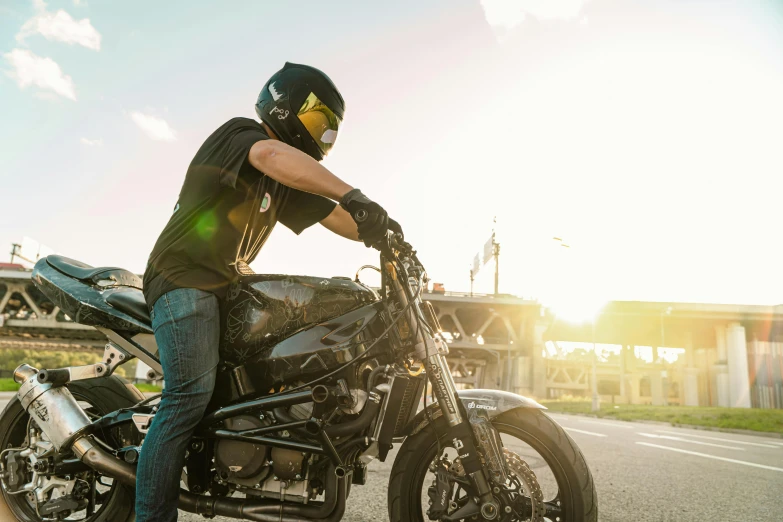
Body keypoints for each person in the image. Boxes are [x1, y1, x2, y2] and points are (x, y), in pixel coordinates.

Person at [136, 62, 400, 522]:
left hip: (223, 290)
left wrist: (382, 233)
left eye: (329, 130)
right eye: (319, 121)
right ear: (286, 104)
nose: (322, 137)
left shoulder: (281, 183)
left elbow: (332, 215)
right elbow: (275, 158)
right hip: (184, 280)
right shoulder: (241, 137)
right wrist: (354, 194)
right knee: (188, 397)